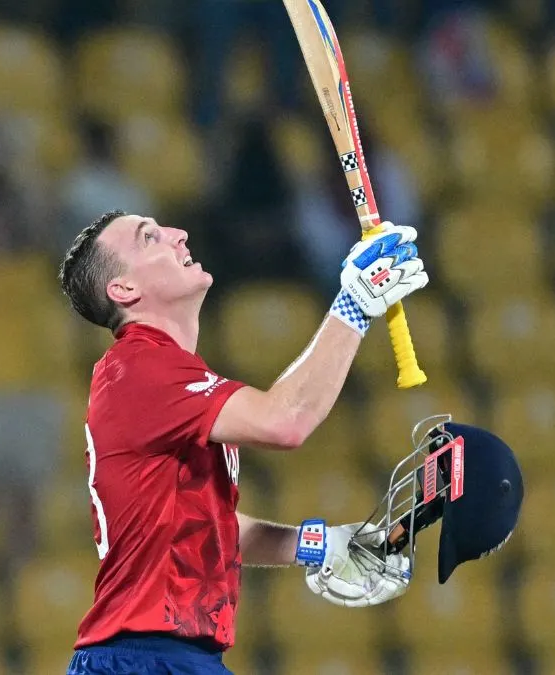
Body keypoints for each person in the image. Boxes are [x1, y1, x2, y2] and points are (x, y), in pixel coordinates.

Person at [57, 209, 429, 674]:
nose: (179, 233)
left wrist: (321, 544)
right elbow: (285, 421)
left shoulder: (159, 375)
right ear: (124, 290)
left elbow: (201, 524)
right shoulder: (140, 370)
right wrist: (355, 302)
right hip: (146, 658)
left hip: (157, 657)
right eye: (149, 238)